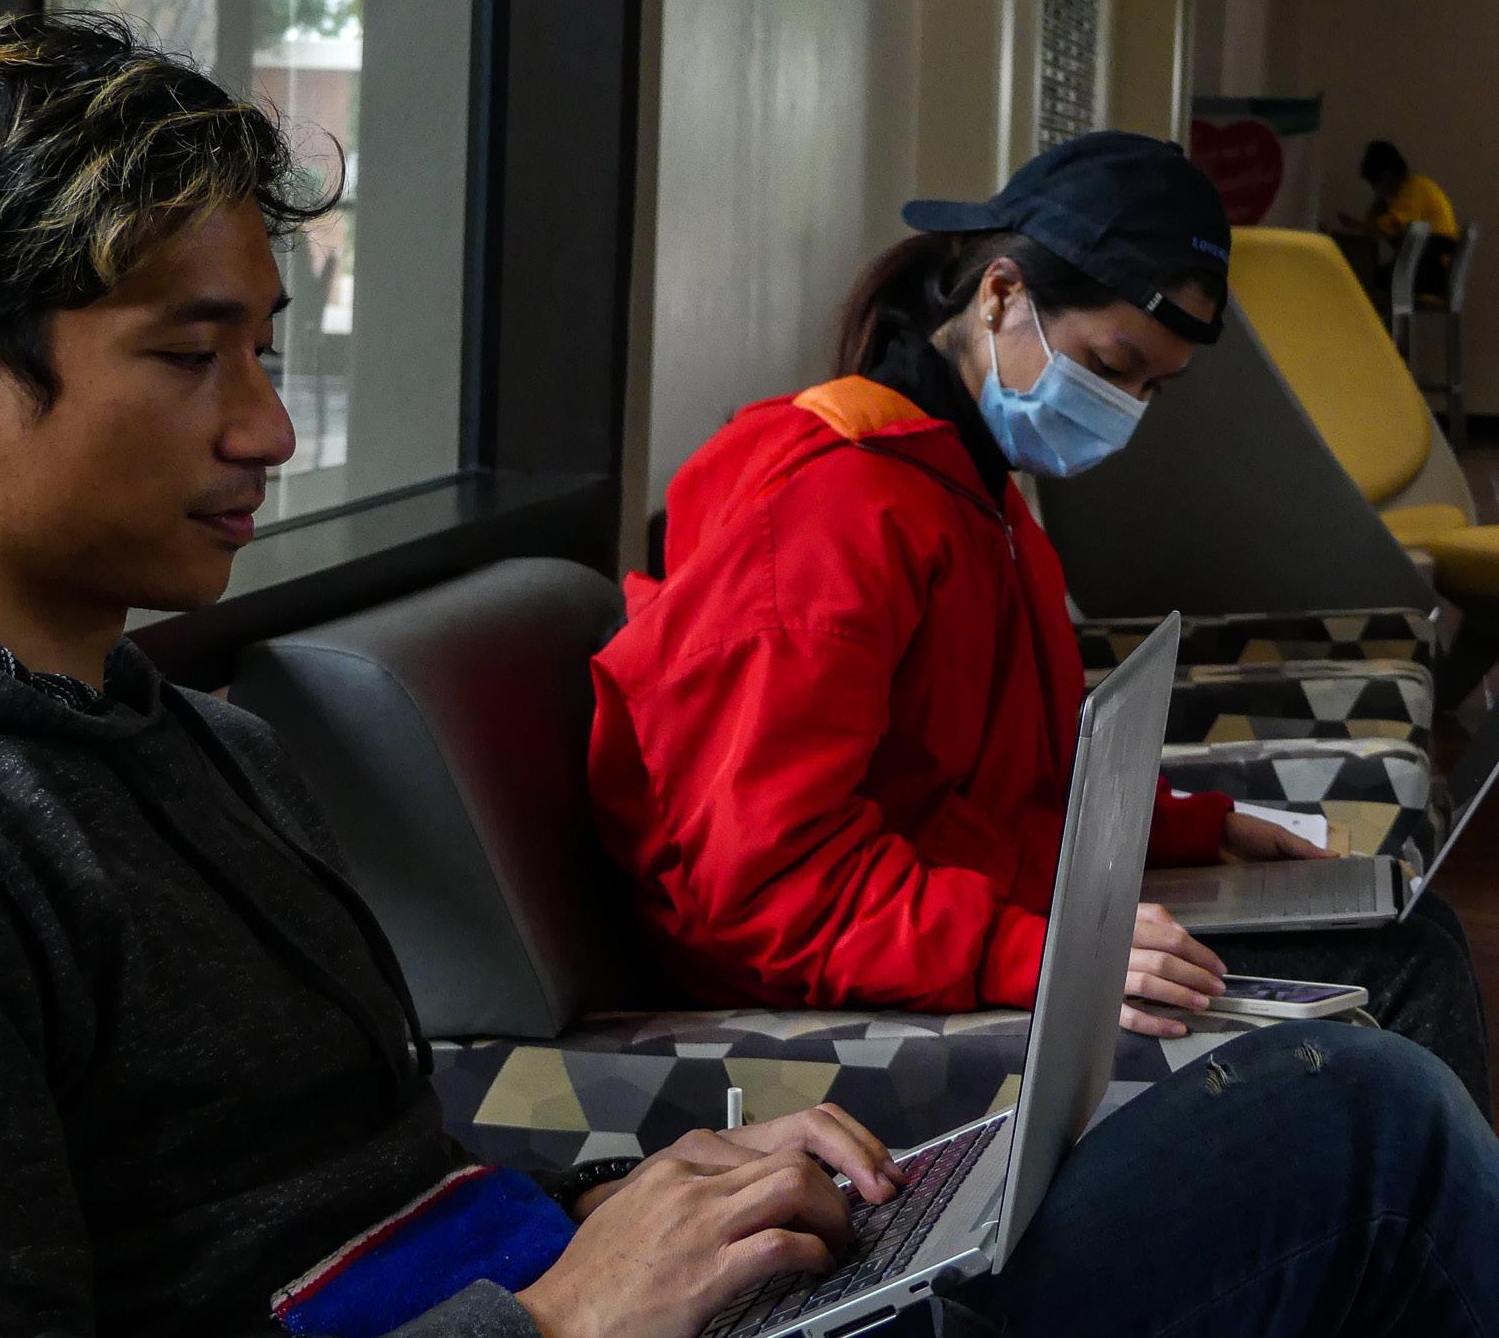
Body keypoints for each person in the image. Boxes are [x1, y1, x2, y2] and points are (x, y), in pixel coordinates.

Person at [0, 12, 1499, 1338]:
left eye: (267, 355)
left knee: (1360, 1110)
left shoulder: (213, 754)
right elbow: (753, 884)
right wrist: (559, 1317)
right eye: (190, 357)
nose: (271, 432)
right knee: (1375, 1133)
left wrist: (622, 1196)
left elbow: (372, 1187)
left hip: (563, 1271)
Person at [588, 131, 1491, 1115]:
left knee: (1410, 933)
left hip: (966, 919)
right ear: (1002, 294)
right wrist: (1038, 953)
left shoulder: (968, 490)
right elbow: (761, 885)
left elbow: (999, 785)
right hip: (847, 982)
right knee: (1400, 969)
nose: (1126, 410)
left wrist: (1193, 831)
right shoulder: (828, 512)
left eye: (1150, 387)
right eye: (1112, 364)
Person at [1341, 138, 1460, 295]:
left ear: (1386, 175)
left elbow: (1391, 224)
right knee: (1369, 276)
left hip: (1432, 270)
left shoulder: (1413, 189)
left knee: (1363, 278)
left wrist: (1361, 222)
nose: (1375, 189)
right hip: (1433, 267)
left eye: (1374, 183)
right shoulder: (1417, 186)